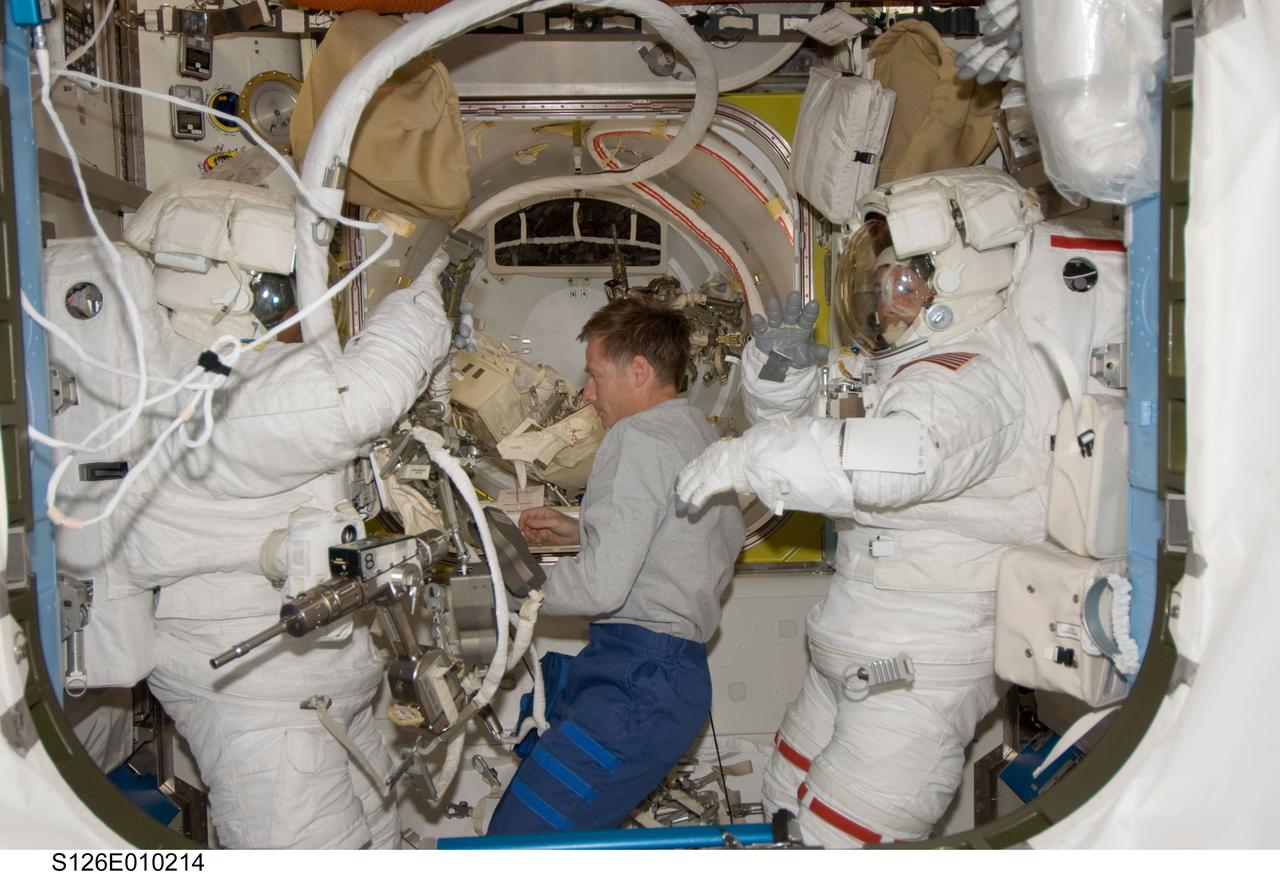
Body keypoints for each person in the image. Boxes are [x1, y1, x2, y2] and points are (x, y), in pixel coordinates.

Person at [676, 168, 1055, 846]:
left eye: (904, 285)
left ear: (960, 285)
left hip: (917, 666)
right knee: (781, 804)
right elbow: (834, 428)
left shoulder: (969, 381)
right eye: (880, 285)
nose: (885, 303)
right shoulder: (910, 369)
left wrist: (748, 457)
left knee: (833, 840)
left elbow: (886, 463)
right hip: (856, 644)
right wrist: (780, 380)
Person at [108, 180, 454, 848]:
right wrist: (426, 289)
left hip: (318, 689)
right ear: (232, 286)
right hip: (265, 710)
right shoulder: (213, 389)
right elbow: (354, 399)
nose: (303, 306)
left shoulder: (234, 378)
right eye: (289, 286)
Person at [486, 297, 746, 834]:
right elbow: (707, 539)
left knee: (517, 844)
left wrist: (513, 591)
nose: (587, 393)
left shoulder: (636, 435)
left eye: (595, 376)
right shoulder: (699, 434)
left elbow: (602, 586)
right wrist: (585, 530)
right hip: (671, 678)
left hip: (637, 681)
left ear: (640, 371)